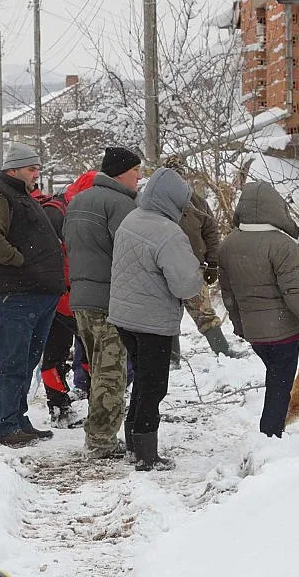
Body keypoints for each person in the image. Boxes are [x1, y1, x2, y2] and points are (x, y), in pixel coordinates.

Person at [0, 142, 65, 448]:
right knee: (13, 363)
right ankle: (6, 425)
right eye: (31, 168)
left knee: (26, 361)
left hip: (34, 293)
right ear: (13, 169)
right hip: (12, 294)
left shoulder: (20, 195)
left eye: (38, 168)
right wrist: (21, 263)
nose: (36, 174)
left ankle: (19, 419)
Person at [109, 167, 202, 470]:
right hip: (152, 322)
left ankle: (134, 443)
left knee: (142, 381)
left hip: (125, 317)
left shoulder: (132, 218)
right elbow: (186, 285)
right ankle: (146, 454)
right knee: (153, 386)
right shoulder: (168, 232)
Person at [217, 181, 299, 438]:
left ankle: (271, 432)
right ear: (275, 208)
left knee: (275, 377)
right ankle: (270, 435)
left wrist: (239, 325)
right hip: (283, 332)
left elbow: (228, 293)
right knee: (279, 384)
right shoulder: (282, 245)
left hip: (254, 333)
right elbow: (295, 291)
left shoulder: (228, 244)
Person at [63, 146, 141, 459]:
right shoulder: (121, 204)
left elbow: (67, 243)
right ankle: (101, 440)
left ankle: (98, 434)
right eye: (136, 170)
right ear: (121, 172)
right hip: (110, 299)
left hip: (80, 297)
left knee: (98, 368)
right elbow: (129, 252)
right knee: (112, 374)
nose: (139, 176)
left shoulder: (79, 200)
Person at [161, 156, 240, 366]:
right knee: (166, 315)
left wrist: (212, 263)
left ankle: (222, 351)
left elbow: (211, 233)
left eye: (180, 175)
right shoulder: (154, 203)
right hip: (162, 270)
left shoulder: (197, 202)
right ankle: (171, 358)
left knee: (204, 312)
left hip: (192, 269)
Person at [31, 170, 95, 428]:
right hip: (66, 294)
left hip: (66, 293)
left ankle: (62, 407)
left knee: (63, 353)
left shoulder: (64, 207)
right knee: (78, 352)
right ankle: (64, 407)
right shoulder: (60, 213)